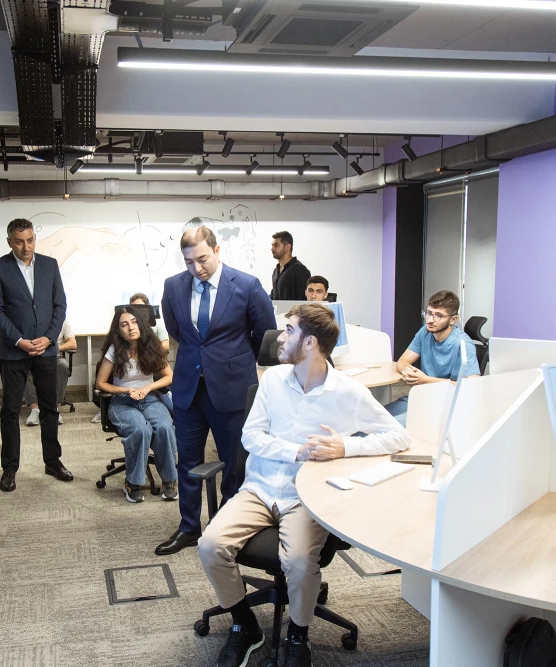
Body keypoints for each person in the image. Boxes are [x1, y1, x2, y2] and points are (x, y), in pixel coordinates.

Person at [198, 304, 409, 667]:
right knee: (210, 545)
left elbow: (398, 436)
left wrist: (347, 446)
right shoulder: (273, 381)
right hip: (260, 488)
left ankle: (298, 635)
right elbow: (251, 436)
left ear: (310, 343)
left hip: (305, 497)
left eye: (289, 331)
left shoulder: (348, 392)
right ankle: (245, 624)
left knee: (296, 561)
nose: (280, 338)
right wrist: (295, 451)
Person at [156, 227, 276, 556]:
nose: (197, 268)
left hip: (233, 388)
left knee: (234, 464)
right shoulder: (173, 286)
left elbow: (266, 337)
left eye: (203, 259)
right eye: (189, 262)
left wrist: (234, 363)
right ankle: (189, 527)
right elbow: (176, 330)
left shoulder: (247, 285)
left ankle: (226, 527)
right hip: (189, 388)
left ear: (217, 250)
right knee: (187, 462)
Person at [0, 218, 72, 493]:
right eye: (19, 242)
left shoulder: (49, 265)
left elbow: (60, 305)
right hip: (14, 351)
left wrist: (49, 337)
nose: (26, 247)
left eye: (30, 240)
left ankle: (52, 462)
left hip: (46, 350)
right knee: (10, 411)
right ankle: (9, 468)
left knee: (50, 408)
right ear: (9, 241)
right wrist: (19, 340)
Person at [95, 306, 178, 503]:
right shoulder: (114, 350)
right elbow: (101, 383)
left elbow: (169, 376)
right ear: (118, 330)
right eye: (124, 324)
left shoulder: (152, 346)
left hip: (149, 399)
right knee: (141, 430)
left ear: (141, 324)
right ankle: (132, 483)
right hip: (123, 402)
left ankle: (170, 480)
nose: (131, 327)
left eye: (134, 322)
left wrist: (148, 388)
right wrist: (126, 390)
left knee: (165, 427)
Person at [385, 290, 480, 426]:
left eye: (439, 316)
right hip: (423, 397)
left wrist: (426, 380)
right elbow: (402, 361)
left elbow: (472, 386)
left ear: (453, 320)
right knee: (374, 416)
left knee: (387, 427)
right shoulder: (425, 332)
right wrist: (410, 372)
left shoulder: (463, 344)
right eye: (429, 313)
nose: (430, 320)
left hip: (447, 405)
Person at [24, 318, 76, 426]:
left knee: (63, 366)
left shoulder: (62, 321)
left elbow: (73, 344)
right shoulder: (31, 318)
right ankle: (35, 409)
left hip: (55, 355)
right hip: (33, 355)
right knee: (25, 368)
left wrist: (54, 349)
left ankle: (55, 407)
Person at [270, 231, 311, 301]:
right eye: (272, 245)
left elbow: (303, 300)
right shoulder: (276, 271)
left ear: (288, 247)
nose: (272, 249)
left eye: (276, 245)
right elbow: (274, 296)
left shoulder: (300, 270)